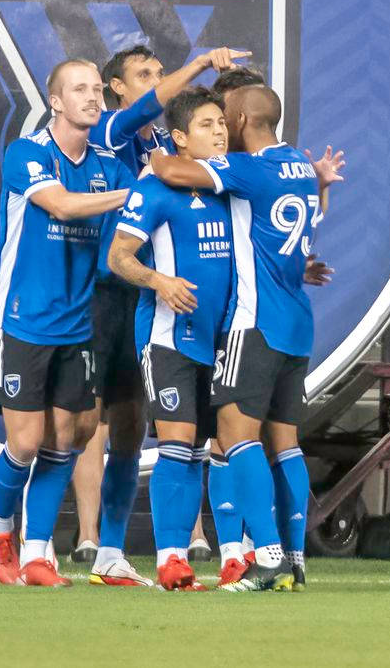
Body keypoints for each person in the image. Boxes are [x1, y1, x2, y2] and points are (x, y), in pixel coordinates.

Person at [149, 85, 343, 591]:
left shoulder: (248, 168)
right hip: (297, 324)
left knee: (234, 436)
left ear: (238, 118)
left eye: (222, 119)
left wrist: (149, 146)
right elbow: (303, 227)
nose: (219, 128)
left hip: (255, 322)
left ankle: (269, 557)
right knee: (284, 443)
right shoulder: (300, 167)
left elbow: (171, 171)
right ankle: (295, 561)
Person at [69, 44, 247, 583]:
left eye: (159, 73)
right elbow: (158, 109)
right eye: (144, 76)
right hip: (114, 297)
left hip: (180, 308)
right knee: (87, 427)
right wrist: (199, 64)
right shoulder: (114, 131)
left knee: (140, 432)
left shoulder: (199, 168)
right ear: (119, 88)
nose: (155, 82)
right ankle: (80, 539)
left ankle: (130, 550)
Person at [0, 60, 140, 588]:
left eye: (98, 89)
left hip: (79, 325)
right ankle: (0, 528)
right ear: (55, 101)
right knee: (25, 443)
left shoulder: (110, 165)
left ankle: (34, 556)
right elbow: (64, 207)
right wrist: (138, 190)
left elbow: (140, 226)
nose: (93, 98)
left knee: (65, 441)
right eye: (80, 89)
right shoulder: (27, 153)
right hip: (22, 320)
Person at [106, 87, 234, 591]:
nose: (219, 130)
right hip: (169, 337)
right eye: (206, 124)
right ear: (179, 137)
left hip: (224, 338)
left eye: (221, 121)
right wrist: (160, 282)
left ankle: (235, 557)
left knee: (215, 447)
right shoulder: (154, 189)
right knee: (179, 445)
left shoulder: (233, 185)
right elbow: (119, 257)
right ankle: (172, 559)